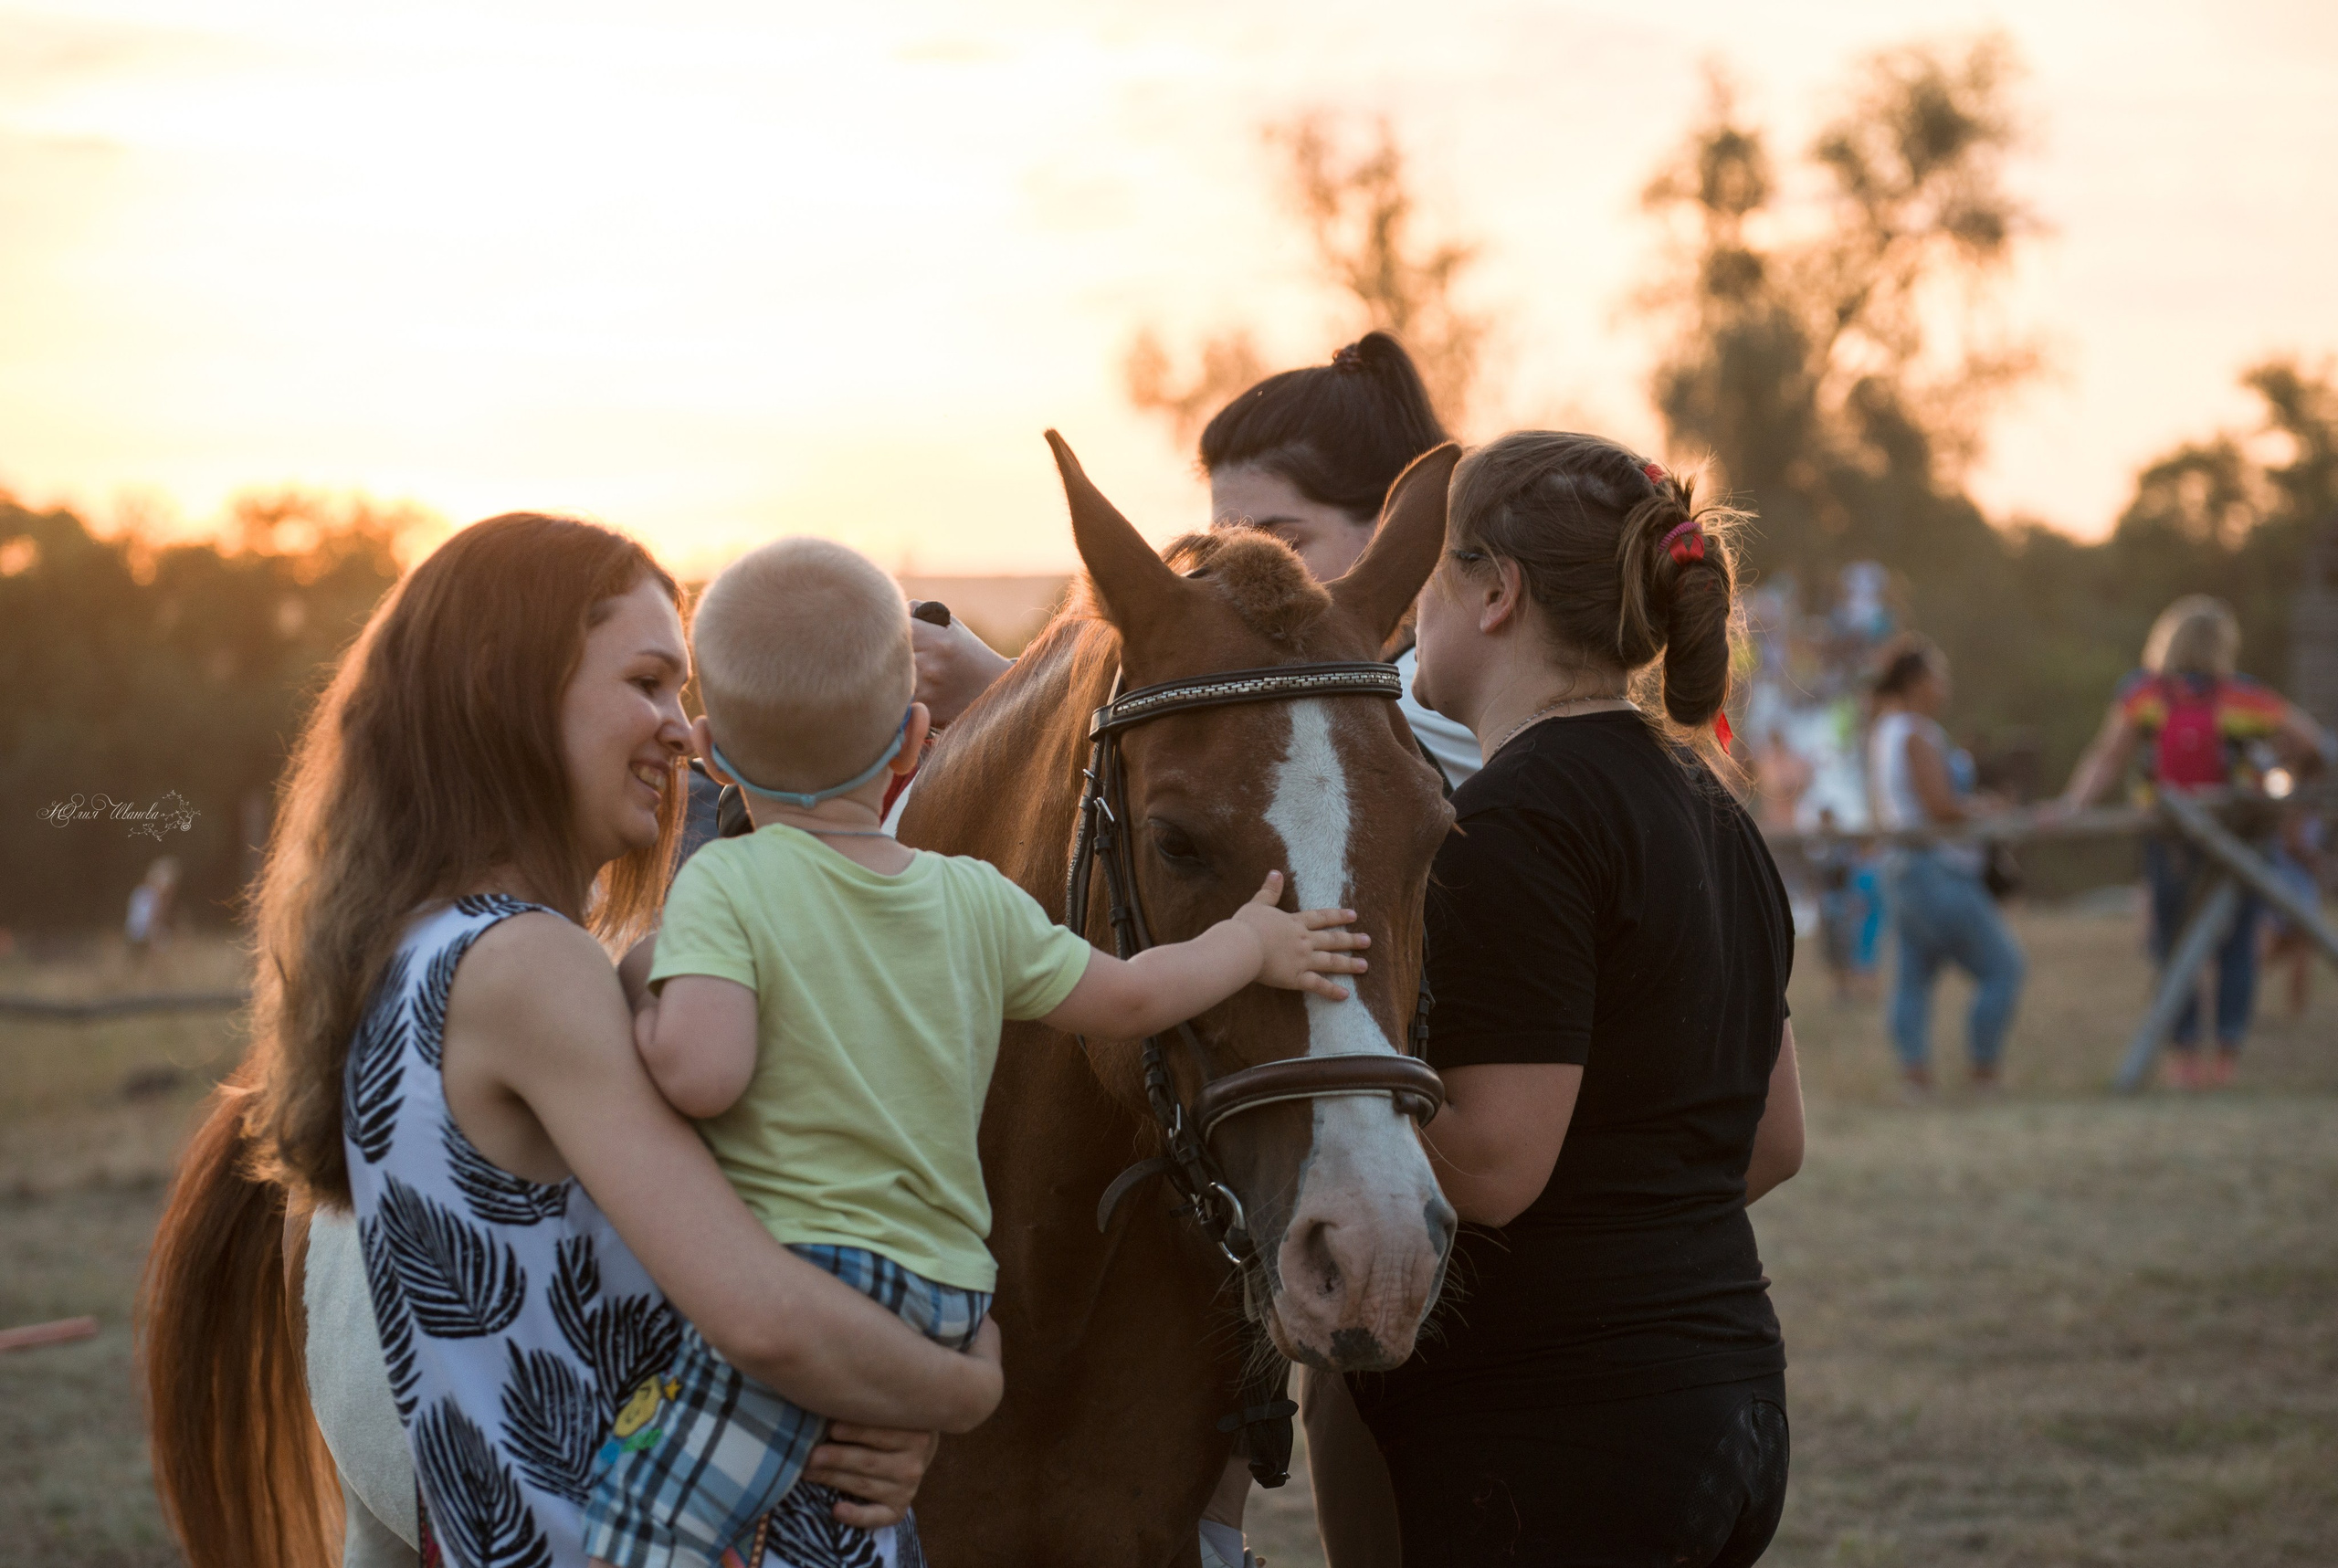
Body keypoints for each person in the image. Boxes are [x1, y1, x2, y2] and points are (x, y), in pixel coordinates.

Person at [241, 513, 1009, 1568]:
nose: (685, 730)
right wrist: (962, 1387)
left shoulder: (426, 951)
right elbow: (763, 1318)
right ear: (499, 687)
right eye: (648, 682)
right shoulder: (527, 966)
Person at [581, 538, 1366, 1568]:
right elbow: (1129, 994)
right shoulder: (974, 896)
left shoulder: (727, 886)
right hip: (953, 1298)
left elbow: (702, 1072)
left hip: (813, 1282)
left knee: (633, 1522)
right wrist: (1249, 943)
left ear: (714, 753)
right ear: (913, 742)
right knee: (858, 1518)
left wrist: (643, 997)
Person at [889, 333, 1462, 1568]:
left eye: (1282, 542)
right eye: (1212, 537)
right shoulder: (1238, 717)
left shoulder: (1406, 737)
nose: (1230, 572)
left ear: (1389, 557)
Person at [1334, 432, 1805, 1566]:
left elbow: (1493, 1167)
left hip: (1559, 1437)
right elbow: (1772, 1140)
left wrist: (1326, 1031)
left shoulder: (1514, 821)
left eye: (1434, 575)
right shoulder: (1711, 807)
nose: (1411, 619)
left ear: (1496, 591)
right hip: (1730, 1407)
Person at [911, 331, 1479, 795]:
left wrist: (997, 691)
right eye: (1227, 551)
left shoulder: (1436, 694)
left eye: (1281, 546)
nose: (1247, 584)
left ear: (1395, 529)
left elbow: (1273, 744)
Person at [2057, 595, 2335, 1087]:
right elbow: (2310, 741)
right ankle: (2225, 1058)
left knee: (2171, 942)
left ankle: (2180, 1058)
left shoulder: (2142, 694)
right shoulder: (2244, 697)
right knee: (2238, 946)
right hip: (2239, 836)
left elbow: (2107, 756)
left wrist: (2070, 807)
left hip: (2168, 835)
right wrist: (2288, 797)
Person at [1867, 634, 2024, 1096]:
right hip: (1936, 870)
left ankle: (1915, 1077)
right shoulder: (1916, 732)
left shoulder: (1883, 731)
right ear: (1916, 682)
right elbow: (1939, 806)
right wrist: (1989, 808)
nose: (1946, 688)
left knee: (1915, 975)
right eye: (1939, 678)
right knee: (2003, 968)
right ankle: (1984, 1071)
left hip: (1902, 868)